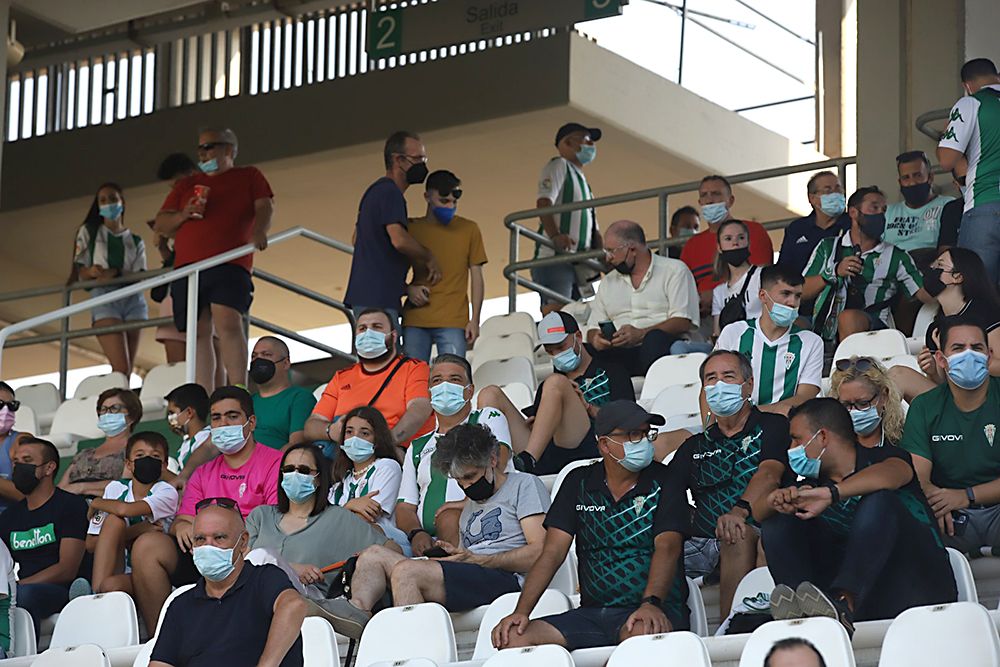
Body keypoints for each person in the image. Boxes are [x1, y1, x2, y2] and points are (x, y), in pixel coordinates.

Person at [314, 423, 549, 640]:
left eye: (470, 477)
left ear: (493, 460)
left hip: (507, 579)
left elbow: (540, 553)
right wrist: (457, 556)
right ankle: (356, 612)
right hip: (473, 573)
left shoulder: (524, 485)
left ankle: (413, 652)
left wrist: (481, 560)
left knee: (407, 571)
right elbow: (469, 559)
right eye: (459, 481)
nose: (466, 486)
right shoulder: (470, 504)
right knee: (373, 554)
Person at [491, 401, 690, 651]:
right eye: (633, 434)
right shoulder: (578, 482)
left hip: (653, 610)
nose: (643, 442)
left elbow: (668, 547)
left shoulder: (667, 479)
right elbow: (552, 553)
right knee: (513, 638)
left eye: (646, 433)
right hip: (592, 614)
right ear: (605, 444)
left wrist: (651, 603)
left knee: (641, 633)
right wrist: (521, 612)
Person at [762, 398, 955, 633]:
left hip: (920, 586)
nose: (791, 447)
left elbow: (889, 476)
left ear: (822, 437)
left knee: (879, 500)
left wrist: (832, 494)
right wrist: (778, 501)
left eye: (797, 439)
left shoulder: (888, 457)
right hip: (870, 597)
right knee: (779, 522)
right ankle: (801, 611)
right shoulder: (811, 486)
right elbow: (761, 513)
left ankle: (845, 601)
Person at [130, 386, 282, 631]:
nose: (223, 424)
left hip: (250, 552)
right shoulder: (202, 472)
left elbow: (275, 521)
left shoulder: (275, 462)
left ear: (251, 422)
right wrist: (182, 526)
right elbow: (182, 520)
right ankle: (160, 637)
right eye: (217, 418)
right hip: (203, 554)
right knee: (148, 545)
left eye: (232, 416)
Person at [669, 351, 790, 619]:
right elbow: (667, 494)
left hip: (756, 530)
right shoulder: (694, 446)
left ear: (748, 385)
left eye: (728, 376)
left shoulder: (773, 426)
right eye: (711, 379)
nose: (719, 385)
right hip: (702, 543)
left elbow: (769, 474)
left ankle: (729, 628)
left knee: (737, 532)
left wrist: (739, 511)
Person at [155, 127, 275, 390]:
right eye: (200, 148)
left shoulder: (248, 175)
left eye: (209, 147)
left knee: (228, 322)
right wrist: (183, 214)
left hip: (229, 263)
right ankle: (203, 392)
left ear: (229, 149)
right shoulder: (187, 184)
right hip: (189, 268)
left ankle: (238, 387)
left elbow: (264, 204)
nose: (203, 153)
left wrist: (259, 230)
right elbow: (162, 223)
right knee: (197, 332)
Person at [149, 502, 306, 667]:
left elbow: (293, 605)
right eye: (200, 539)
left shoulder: (264, 579)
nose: (208, 546)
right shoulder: (180, 606)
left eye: (219, 538)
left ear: (243, 542)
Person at [479, 311, 633, 476]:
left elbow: (630, 419)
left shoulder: (612, 371)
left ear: (578, 337)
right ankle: (487, 471)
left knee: (556, 382)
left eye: (560, 347)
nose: (556, 355)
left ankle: (527, 460)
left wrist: (588, 407)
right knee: (490, 394)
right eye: (550, 351)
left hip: (591, 446)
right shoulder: (547, 386)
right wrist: (537, 423)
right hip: (547, 454)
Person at [901, 317, 1000, 553]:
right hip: (951, 514)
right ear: (941, 359)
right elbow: (919, 476)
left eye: (976, 347)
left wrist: (967, 496)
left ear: (989, 356)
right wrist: (936, 501)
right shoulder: (925, 406)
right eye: (958, 348)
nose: (969, 355)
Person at [247, 443, 394, 600]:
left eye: (304, 471)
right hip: (255, 599)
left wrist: (361, 561)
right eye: (288, 470)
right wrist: (292, 569)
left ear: (318, 479)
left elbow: (391, 550)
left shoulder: (338, 518)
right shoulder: (261, 516)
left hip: (310, 601)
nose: (294, 475)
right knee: (258, 557)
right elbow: (241, 564)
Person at [400, 353, 513, 552]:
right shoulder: (417, 446)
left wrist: (466, 504)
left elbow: (499, 460)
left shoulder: (486, 417)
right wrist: (416, 533)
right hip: (426, 541)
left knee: (449, 518)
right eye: (437, 380)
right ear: (430, 393)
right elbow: (405, 507)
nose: (445, 386)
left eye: (454, 379)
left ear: (470, 391)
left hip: (482, 522)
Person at [803, 186, 933, 342]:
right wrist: (834, 272)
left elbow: (923, 292)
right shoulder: (827, 247)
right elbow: (801, 291)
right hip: (824, 325)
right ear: (853, 212)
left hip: (876, 330)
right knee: (793, 324)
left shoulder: (897, 256)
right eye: (874, 208)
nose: (880, 214)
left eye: (883, 210)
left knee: (848, 317)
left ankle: (849, 359)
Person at [344, 130, 441, 324]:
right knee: (382, 344)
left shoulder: (375, 192)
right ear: (398, 160)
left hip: (372, 295)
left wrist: (403, 287)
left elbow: (356, 238)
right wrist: (428, 256)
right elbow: (399, 240)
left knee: (374, 344)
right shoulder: (390, 193)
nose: (422, 165)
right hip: (378, 300)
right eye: (418, 159)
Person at [303, 308, 434, 450]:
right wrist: (331, 430)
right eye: (362, 328)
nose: (368, 333)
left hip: (394, 452)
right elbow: (312, 425)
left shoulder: (415, 368)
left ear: (393, 336)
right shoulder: (341, 377)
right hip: (346, 454)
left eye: (377, 327)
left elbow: (419, 408)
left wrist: (388, 442)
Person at [586, 220, 699, 376]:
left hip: (660, 348)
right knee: (579, 350)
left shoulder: (674, 270)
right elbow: (592, 328)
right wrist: (596, 339)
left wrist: (641, 334)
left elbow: (683, 320)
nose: (608, 258)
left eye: (611, 251)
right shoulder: (608, 282)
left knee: (654, 339)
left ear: (632, 249)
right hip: (620, 352)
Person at [0, 437, 88, 633]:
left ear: (49, 468)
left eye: (27, 460)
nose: (18, 467)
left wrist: (18, 586)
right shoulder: (9, 517)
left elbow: (67, 569)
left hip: (63, 589)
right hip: (24, 588)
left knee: (24, 595)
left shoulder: (71, 505)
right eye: (15, 462)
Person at [890, 248, 1000, 401]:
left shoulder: (985, 313)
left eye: (939, 265)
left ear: (957, 277)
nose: (931, 270)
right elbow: (941, 384)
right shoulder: (935, 329)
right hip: (955, 401)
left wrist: (958, 360)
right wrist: (933, 371)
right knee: (897, 375)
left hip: (990, 397)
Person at [78, 432, 177, 597]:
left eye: (155, 456)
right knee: (114, 522)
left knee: (111, 586)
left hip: (153, 570)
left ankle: (96, 594)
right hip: (120, 568)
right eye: (140, 455)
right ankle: (94, 594)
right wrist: (138, 530)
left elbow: (125, 510)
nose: (147, 460)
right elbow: (91, 544)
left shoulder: (167, 491)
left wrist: (96, 502)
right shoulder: (115, 488)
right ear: (128, 464)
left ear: (164, 465)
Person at [715, 265, 823, 415]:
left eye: (797, 296)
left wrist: (750, 415)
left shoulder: (811, 342)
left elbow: (804, 398)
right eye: (786, 294)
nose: (792, 302)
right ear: (763, 296)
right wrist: (711, 428)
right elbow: (711, 387)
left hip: (783, 425)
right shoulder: (733, 333)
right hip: (735, 424)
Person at [402, 170, 487, 360]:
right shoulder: (411, 229)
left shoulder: (469, 229)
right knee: (413, 376)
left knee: (454, 373)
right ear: (427, 197)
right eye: (444, 201)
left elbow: (477, 277)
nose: (450, 206)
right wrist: (408, 289)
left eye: (454, 202)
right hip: (416, 318)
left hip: (454, 319)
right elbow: (391, 271)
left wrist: (475, 319)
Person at [68, 182, 148, 376]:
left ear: (122, 202)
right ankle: (119, 395)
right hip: (104, 296)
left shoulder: (136, 240)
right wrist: (92, 272)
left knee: (128, 368)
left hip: (133, 298)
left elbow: (141, 275)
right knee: (121, 367)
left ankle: (124, 394)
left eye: (113, 198)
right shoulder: (89, 231)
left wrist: (115, 272)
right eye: (102, 200)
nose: (108, 203)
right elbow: (80, 271)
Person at [937, 58, 1000, 285]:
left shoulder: (971, 103)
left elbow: (947, 160)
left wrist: (945, 137)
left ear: (967, 85)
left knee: (977, 289)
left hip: (986, 204)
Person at [532, 122, 603, 314]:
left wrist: (601, 254)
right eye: (586, 139)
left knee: (574, 317)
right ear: (568, 142)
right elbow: (544, 202)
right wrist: (555, 235)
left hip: (578, 264)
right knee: (559, 314)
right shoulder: (559, 165)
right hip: (555, 258)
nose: (591, 145)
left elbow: (593, 227)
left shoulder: (585, 184)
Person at [681, 175, 774, 318]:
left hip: (748, 309)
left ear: (730, 200)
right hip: (703, 316)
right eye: (704, 195)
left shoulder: (753, 231)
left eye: (716, 194)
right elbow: (683, 287)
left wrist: (715, 295)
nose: (710, 200)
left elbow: (763, 278)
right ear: (699, 202)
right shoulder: (692, 245)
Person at [329, 406, 407, 551]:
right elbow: (327, 526)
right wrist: (350, 505)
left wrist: (340, 513)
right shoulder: (339, 484)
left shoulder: (387, 467)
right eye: (349, 432)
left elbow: (366, 517)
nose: (355, 438)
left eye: (364, 433)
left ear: (377, 439)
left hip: (388, 543)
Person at [152, 153, 200, 365]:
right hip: (175, 292)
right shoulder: (176, 209)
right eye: (173, 187)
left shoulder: (204, 199)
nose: (177, 190)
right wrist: (163, 247)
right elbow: (174, 259)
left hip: (205, 289)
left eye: (179, 183)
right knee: (176, 366)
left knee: (208, 354)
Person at [59, 388, 143, 498]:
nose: (107, 413)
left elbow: (126, 486)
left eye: (114, 408)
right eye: (103, 409)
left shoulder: (135, 450)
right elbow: (61, 488)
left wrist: (82, 487)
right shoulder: (84, 454)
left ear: (132, 416)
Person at [778, 171, 850, 280]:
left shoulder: (853, 224)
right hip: (801, 288)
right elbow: (783, 268)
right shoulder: (797, 228)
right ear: (812, 198)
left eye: (838, 189)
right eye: (828, 190)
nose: (835, 194)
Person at [884, 151, 954, 262]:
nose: (912, 182)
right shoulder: (888, 212)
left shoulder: (948, 206)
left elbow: (949, 252)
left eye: (918, 175)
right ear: (900, 182)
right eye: (906, 177)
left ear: (930, 177)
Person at [250, 337, 316, 449]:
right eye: (254, 356)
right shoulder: (247, 401)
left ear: (285, 363)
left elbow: (296, 446)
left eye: (266, 355)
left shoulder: (300, 398)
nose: (258, 360)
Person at [829, 357, 905, 448]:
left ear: (884, 397)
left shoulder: (906, 441)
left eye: (863, 403)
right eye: (846, 405)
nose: (854, 411)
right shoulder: (830, 447)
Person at [712, 220, 763, 336]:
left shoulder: (763, 276)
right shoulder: (719, 292)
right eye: (728, 239)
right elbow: (717, 334)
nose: (735, 243)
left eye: (741, 238)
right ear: (719, 247)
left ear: (748, 243)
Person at [165, 383, 211, 472]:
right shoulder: (187, 442)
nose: (170, 418)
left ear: (189, 412)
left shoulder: (206, 439)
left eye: (172, 413)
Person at [0, 382, 24, 512]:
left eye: (12, 405)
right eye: (0, 404)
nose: (6, 411)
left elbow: (25, 494)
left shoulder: (21, 441)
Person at [936, 165, 969, 251]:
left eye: (977, 177)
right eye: (964, 180)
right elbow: (945, 251)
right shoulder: (952, 209)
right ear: (956, 184)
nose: (972, 182)